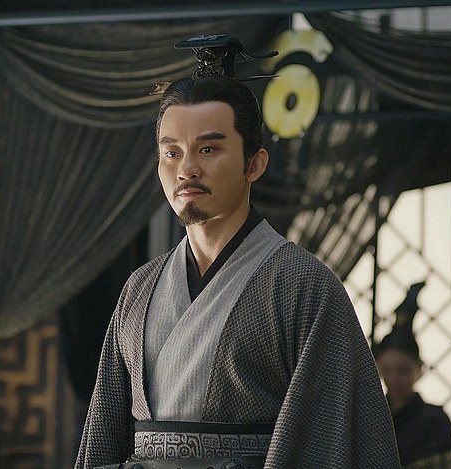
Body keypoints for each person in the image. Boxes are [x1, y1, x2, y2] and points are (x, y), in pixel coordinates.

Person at [75, 34, 400, 469]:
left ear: (254, 163)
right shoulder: (139, 288)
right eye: (172, 152)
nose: (186, 169)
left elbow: (328, 438)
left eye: (208, 149)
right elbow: (104, 435)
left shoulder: (304, 286)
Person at [375, 282, 451, 464]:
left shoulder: (434, 421)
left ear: (420, 368)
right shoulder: (370, 416)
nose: (394, 379)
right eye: (387, 370)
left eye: (403, 370)